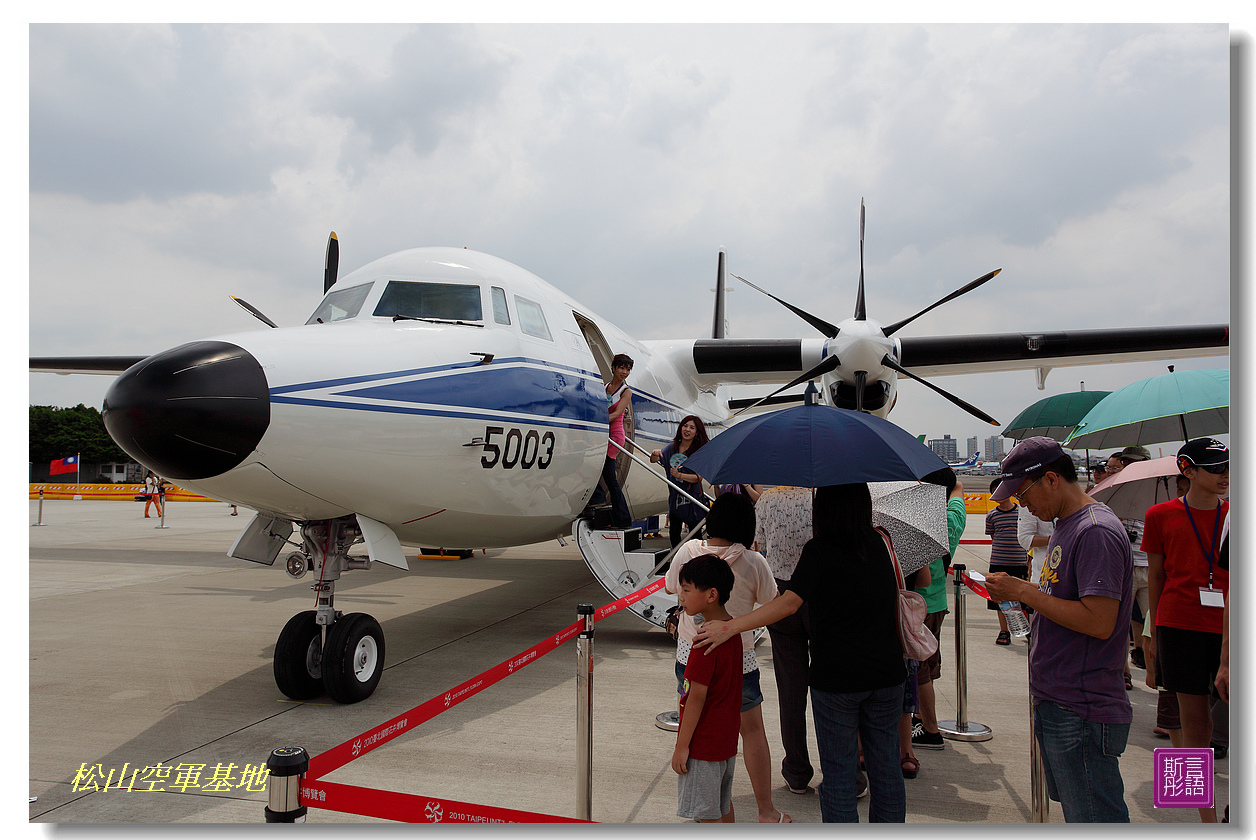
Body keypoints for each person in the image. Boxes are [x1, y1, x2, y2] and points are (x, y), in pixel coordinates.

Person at [694, 484, 907, 823]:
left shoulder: (820, 550)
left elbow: (789, 603)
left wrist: (731, 626)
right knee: (886, 772)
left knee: (837, 776)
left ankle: (798, 773)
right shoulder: (881, 543)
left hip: (837, 679)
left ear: (823, 508)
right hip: (888, 674)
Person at [984, 436, 1133, 823]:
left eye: (1023, 493)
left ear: (1051, 479)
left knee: (1094, 817)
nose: (1022, 504)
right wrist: (1028, 597)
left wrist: (1022, 591)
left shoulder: (1095, 530)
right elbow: (1067, 597)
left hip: (1080, 706)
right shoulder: (1067, 525)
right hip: (1061, 698)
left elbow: (1100, 621)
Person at [664, 493, 790, 823]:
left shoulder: (690, 553)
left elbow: (667, 585)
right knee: (751, 731)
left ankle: (710, 803)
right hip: (740, 659)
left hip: (692, 657)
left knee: (697, 719)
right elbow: (772, 603)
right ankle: (766, 810)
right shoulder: (753, 561)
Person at [1144, 437, 1229, 823]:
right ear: (1187, 470)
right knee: (1188, 719)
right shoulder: (1160, 515)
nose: (1225, 474)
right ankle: (1203, 819)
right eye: (1215, 467)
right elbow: (1157, 576)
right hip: (1179, 624)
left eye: (1228, 466)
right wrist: (1153, 634)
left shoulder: (1237, 516)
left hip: (1231, 627)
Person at [751, 485, 817, 794]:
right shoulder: (819, 496)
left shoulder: (766, 499)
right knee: (829, 688)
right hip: (818, 594)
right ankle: (843, 769)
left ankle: (796, 770)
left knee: (790, 689)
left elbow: (760, 544)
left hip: (780, 596)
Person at [672, 554, 743, 823]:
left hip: (703, 746)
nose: (681, 596)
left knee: (705, 815)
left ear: (711, 595)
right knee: (722, 806)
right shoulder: (732, 632)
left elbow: (696, 696)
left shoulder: (705, 640)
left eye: (687, 590)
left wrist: (682, 746)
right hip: (725, 743)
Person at [911, 467, 963, 752]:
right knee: (929, 665)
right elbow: (957, 496)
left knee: (919, 673)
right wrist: (954, 484)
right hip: (938, 602)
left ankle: (930, 729)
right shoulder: (951, 517)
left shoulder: (920, 520)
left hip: (918, 604)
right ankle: (921, 719)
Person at [1104, 446, 1152, 687]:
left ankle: (1155, 670)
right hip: (1126, 565)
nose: (1127, 465)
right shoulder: (1115, 492)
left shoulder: (1159, 489)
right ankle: (1123, 671)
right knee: (1120, 623)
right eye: (1123, 462)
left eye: (1133, 461)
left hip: (1151, 565)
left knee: (1154, 626)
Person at [587, 354, 634, 528]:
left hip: (615, 436)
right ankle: (598, 499)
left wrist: (596, 421)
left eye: (628, 369)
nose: (625, 372)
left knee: (609, 476)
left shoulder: (626, 391)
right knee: (596, 468)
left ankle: (622, 519)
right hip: (602, 434)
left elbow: (615, 414)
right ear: (613, 367)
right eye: (622, 368)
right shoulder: (605, 387)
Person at [650, 415, 710, 547]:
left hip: (692, 499)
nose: (687, 429)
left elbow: (698, 477)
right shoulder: (671, 448)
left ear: (697, 432)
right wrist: (654, 454)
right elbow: (655, 460)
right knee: (674, 536)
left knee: (696, 537)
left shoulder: (698, 451)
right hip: (675, 500)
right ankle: (677, 563)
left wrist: (680, 475)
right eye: (685, 426)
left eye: (692, 427)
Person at [985, 477, 1029, 646]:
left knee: (1023, 597)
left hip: (1019, 561)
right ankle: (1004, 630)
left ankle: (1026, 629)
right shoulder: (992, 515)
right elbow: (993, 537)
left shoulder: (1021, 512)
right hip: (999, 561)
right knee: (999, 599)